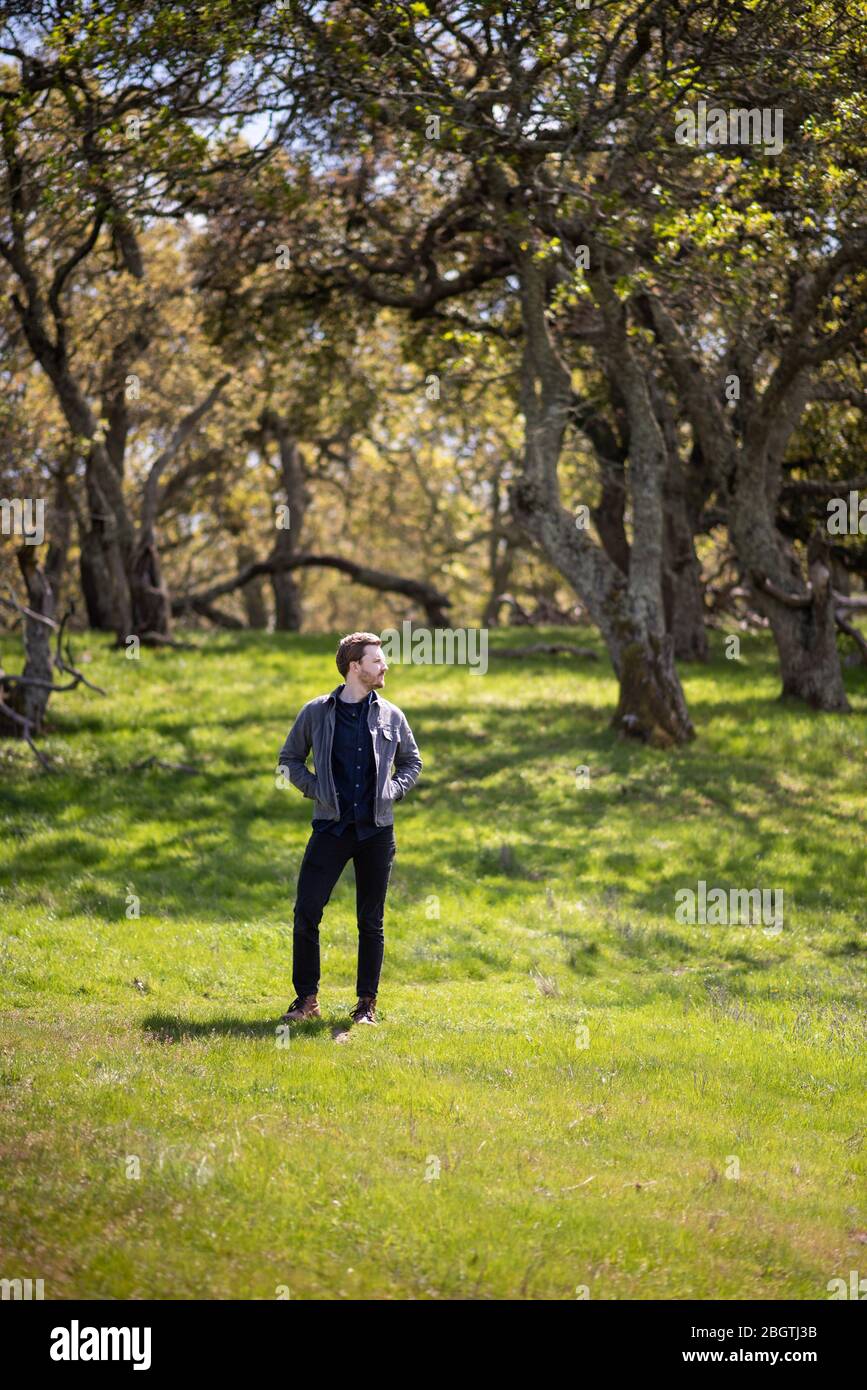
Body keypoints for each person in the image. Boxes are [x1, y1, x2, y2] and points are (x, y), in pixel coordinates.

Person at [276, 631, 422, 1026]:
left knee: (370, 921)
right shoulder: (316, 712)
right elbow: (289, 759)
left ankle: (366, 1006)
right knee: (306, 912)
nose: (384, 666)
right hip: (330, 829)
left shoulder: (392, 715)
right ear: (354, 667)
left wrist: (393, 789)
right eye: (377, 661)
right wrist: (316, 790)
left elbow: (412, 762)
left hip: (376, 832)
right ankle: (306, 1000)